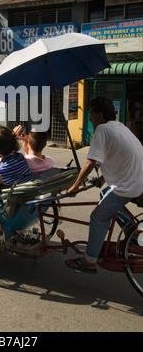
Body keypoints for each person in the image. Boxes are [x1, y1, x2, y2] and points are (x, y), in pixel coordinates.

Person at [66, 96, 143, 274]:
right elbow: (117, 158)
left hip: (127, 187)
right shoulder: (120, 127)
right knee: (104, 194)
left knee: (98, 217)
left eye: (91, 114)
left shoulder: (102, 130)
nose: (90, 118)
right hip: (136, 181)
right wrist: (102, 180)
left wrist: (75, 186)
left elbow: (91, 162)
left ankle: (89, 260)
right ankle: (131, 230)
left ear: (100, 115)